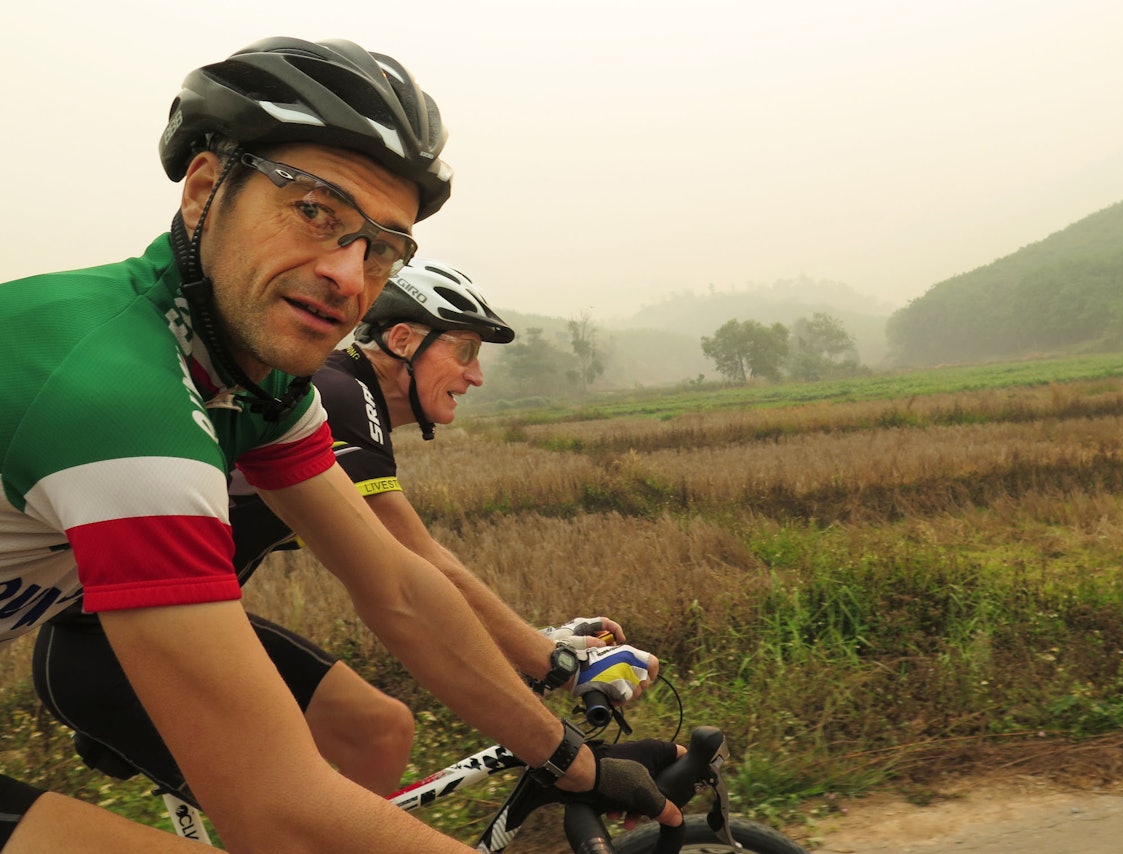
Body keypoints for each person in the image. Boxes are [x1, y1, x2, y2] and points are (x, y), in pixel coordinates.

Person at [0, 36, 680, 852]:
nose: (349, 278)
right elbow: (280, 809)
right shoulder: (117, 394)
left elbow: (399, 584)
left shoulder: (258, 382)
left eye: (381, 247)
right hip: (100, 646)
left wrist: (577, 764)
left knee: (369, 733)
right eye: (315, 211)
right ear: (205, 190)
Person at [32, 260, 641, 803]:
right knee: (298, 810)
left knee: (379, 730)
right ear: (403, 339)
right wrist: (557, 662)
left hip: (164, 626)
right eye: (464, 351)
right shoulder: (340, 396)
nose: (476, 376)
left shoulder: (342, 395)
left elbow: (409, 577)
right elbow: (417, 566)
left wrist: (539, 644)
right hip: (109, 645)